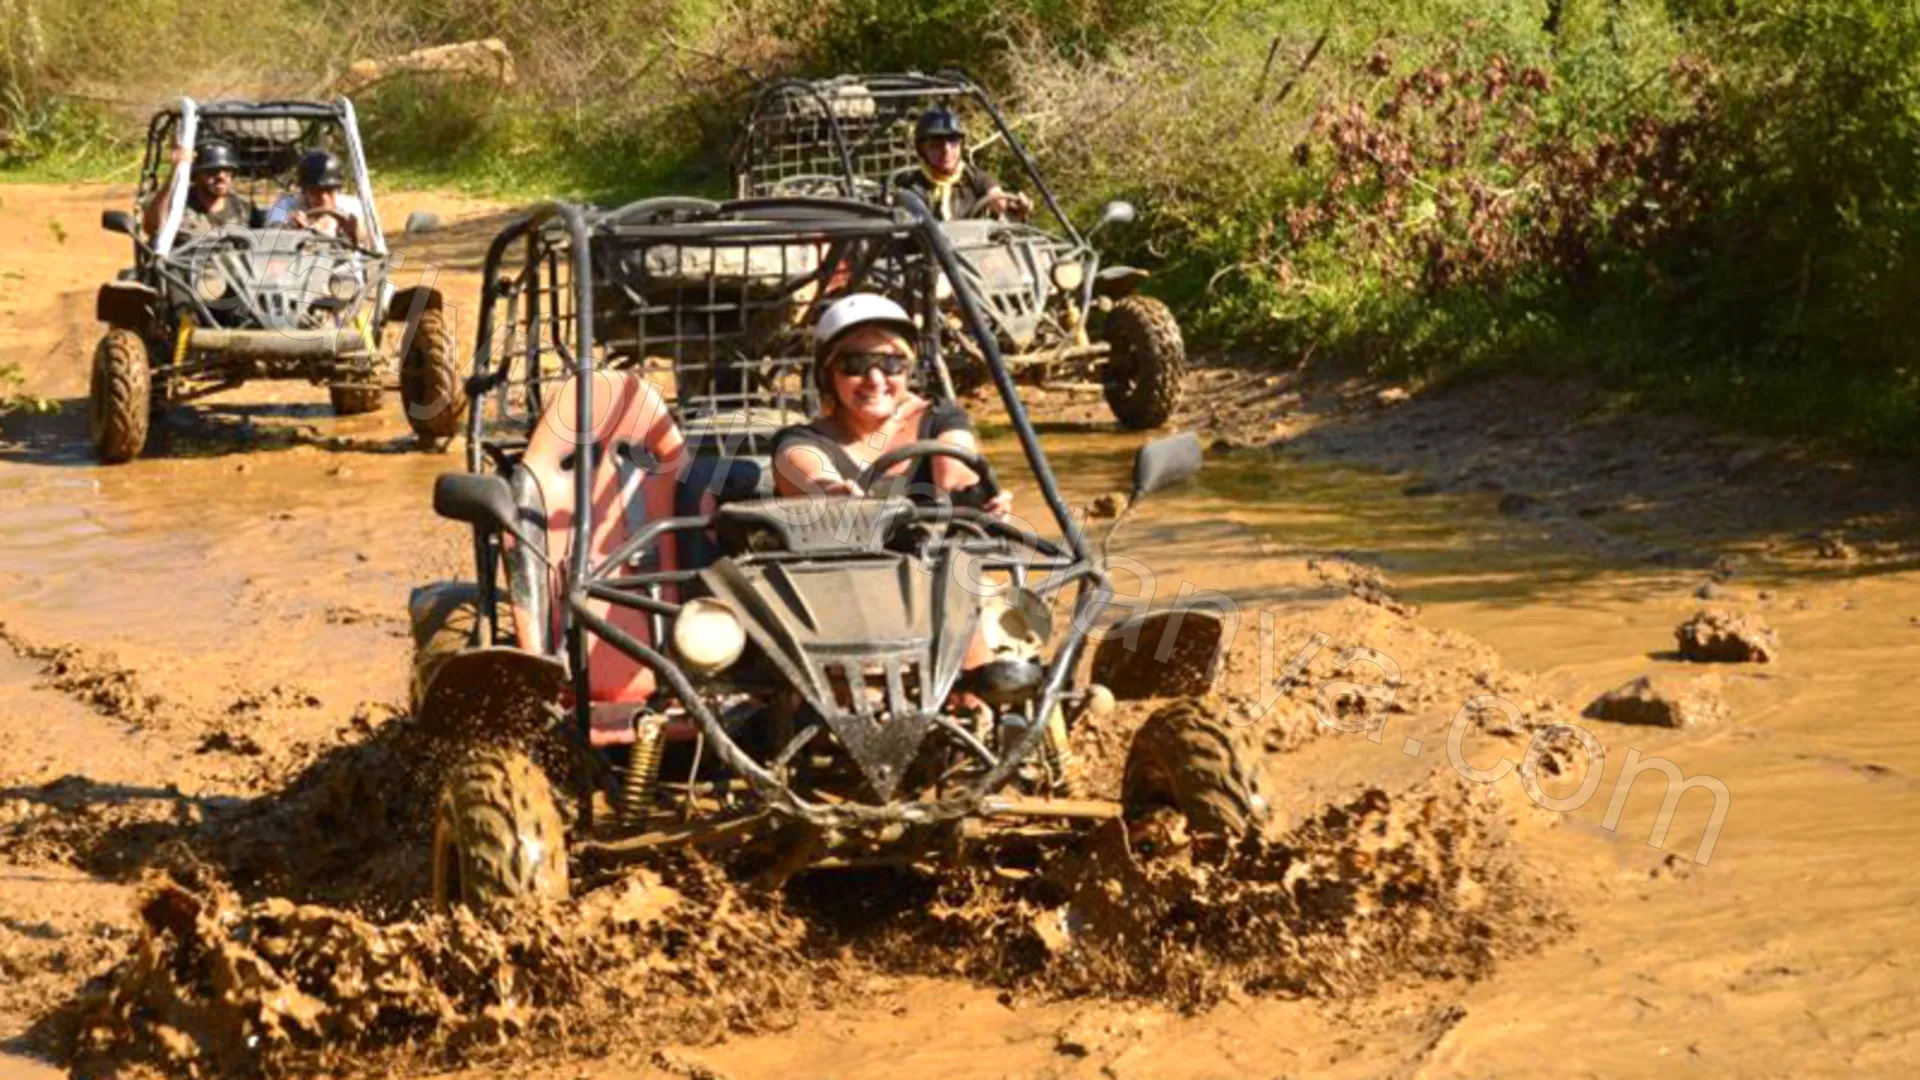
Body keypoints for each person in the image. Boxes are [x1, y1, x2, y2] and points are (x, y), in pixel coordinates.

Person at [772, 292, 1012, 515]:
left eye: (891, 364)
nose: (875, 381)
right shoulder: (798, 443)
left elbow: (956, 473)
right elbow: (812, 478)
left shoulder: (942, 420)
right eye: (855, 364)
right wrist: (834, 495)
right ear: (828, 375)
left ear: (908, 370)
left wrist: (977, 499)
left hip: (936, 556)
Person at [890, 107, 1032, 223]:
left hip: (974, 252)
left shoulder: (975, 177)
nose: (946, 150)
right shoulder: (911, 186)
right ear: (922, 149)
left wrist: (1013, 209)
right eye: (936, 143)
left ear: (961, 145)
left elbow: (996, 197)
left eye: (953, 141)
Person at [141, 139, 258, 238]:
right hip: (187, 263)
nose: (221, 177)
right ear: (195, 175)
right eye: (212, 171)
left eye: (227, 171)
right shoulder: (177, 204)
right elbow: (152, 226)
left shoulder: (243, 209)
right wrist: (175, 172)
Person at [264, 149, 366, 246]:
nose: (324, 198)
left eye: (329, 190)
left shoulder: (352, 207)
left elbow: (371, 241)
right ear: (304, 191)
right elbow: (273, 235)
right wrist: (291, 231)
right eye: (316, 191)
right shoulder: (284, 206)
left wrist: (355, 232)